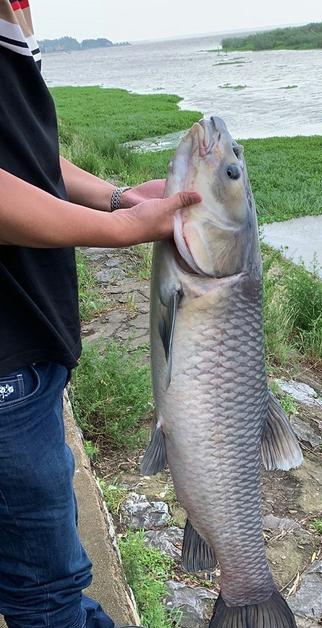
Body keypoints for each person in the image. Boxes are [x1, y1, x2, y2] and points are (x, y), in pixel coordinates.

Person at [0, 1, 201, 626]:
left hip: (29, 345)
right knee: (47, 592)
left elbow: (26, 153)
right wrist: (116, 231)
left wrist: (114, 200)